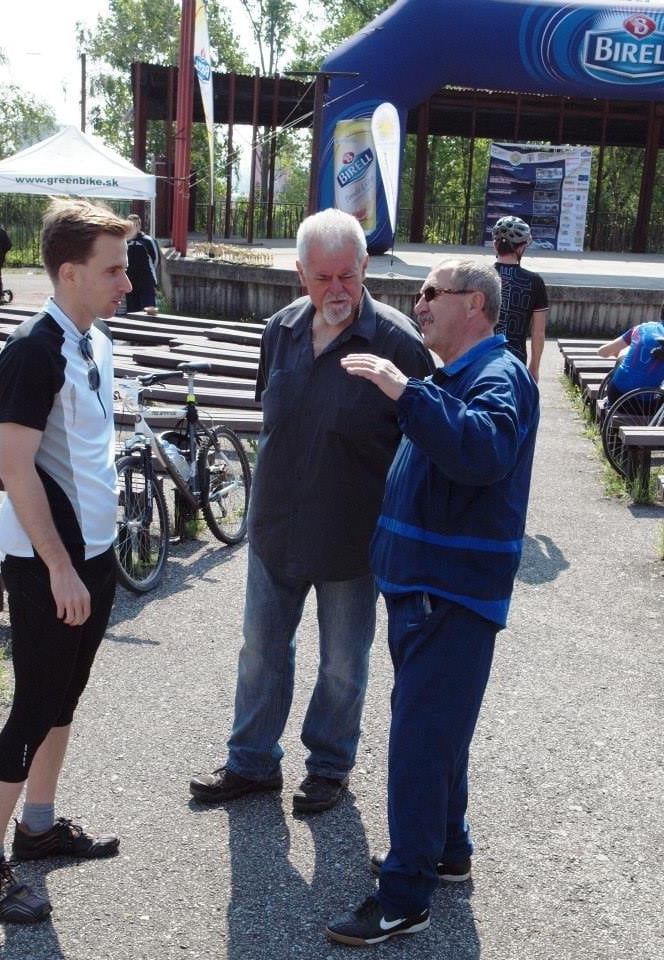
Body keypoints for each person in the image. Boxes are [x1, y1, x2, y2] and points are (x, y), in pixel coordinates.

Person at [189, 208, 433, 814]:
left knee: (343, 664)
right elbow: (275, 420)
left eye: (347, 275)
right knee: (261, 652)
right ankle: (251, 762)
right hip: (276, 529)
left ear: (366, 266)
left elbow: (424, 446)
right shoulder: (281, 329)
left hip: (353, 537)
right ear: (300, 274)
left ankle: (328, 766)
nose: (336, 289)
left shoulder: (398, 342)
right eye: (322, 277)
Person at [326, 257, 540, 946]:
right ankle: (446, 848)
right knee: (438, 731)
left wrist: (404, 390)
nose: (417, 304)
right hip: (427, 588)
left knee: (420, 742)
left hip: (450, 593)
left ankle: (404, 896)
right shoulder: (459, 374)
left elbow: (483, 451)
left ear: (473, 303)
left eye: (430, 293)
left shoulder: (499, 375)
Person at [0, 198, 133, 924]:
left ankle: (37, 827)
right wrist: (59, 566)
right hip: (46, 566)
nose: (127, 282)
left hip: (93, 555)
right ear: (70, 273)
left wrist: (91, 556)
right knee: (32, 709)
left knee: (63, 700)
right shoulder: (33, 349)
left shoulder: (93, 340)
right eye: (113, 269)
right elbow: (16, 468)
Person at [492, 215, 548, 383]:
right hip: (515, 362)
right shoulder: (535, 281)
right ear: (522, 247)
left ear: (495, 245)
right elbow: (538, 332)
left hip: (479, 361)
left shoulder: (479, 277)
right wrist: (534, 367)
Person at [597, 307, 664, 404]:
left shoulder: (641, 328)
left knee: (625, 350)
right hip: (647, 404)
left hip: (615, 395)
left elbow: (602, 352)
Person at [125, 213, 160, 315]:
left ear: (140, 226)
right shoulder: (124, 241)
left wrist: (151, 272)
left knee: (149, 307)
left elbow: (156, 259)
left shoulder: (148, 241)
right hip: (130, 278)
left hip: (146, 278)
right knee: (132, 309)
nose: (134, 227)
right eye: (131, 225)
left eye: (136, 225)